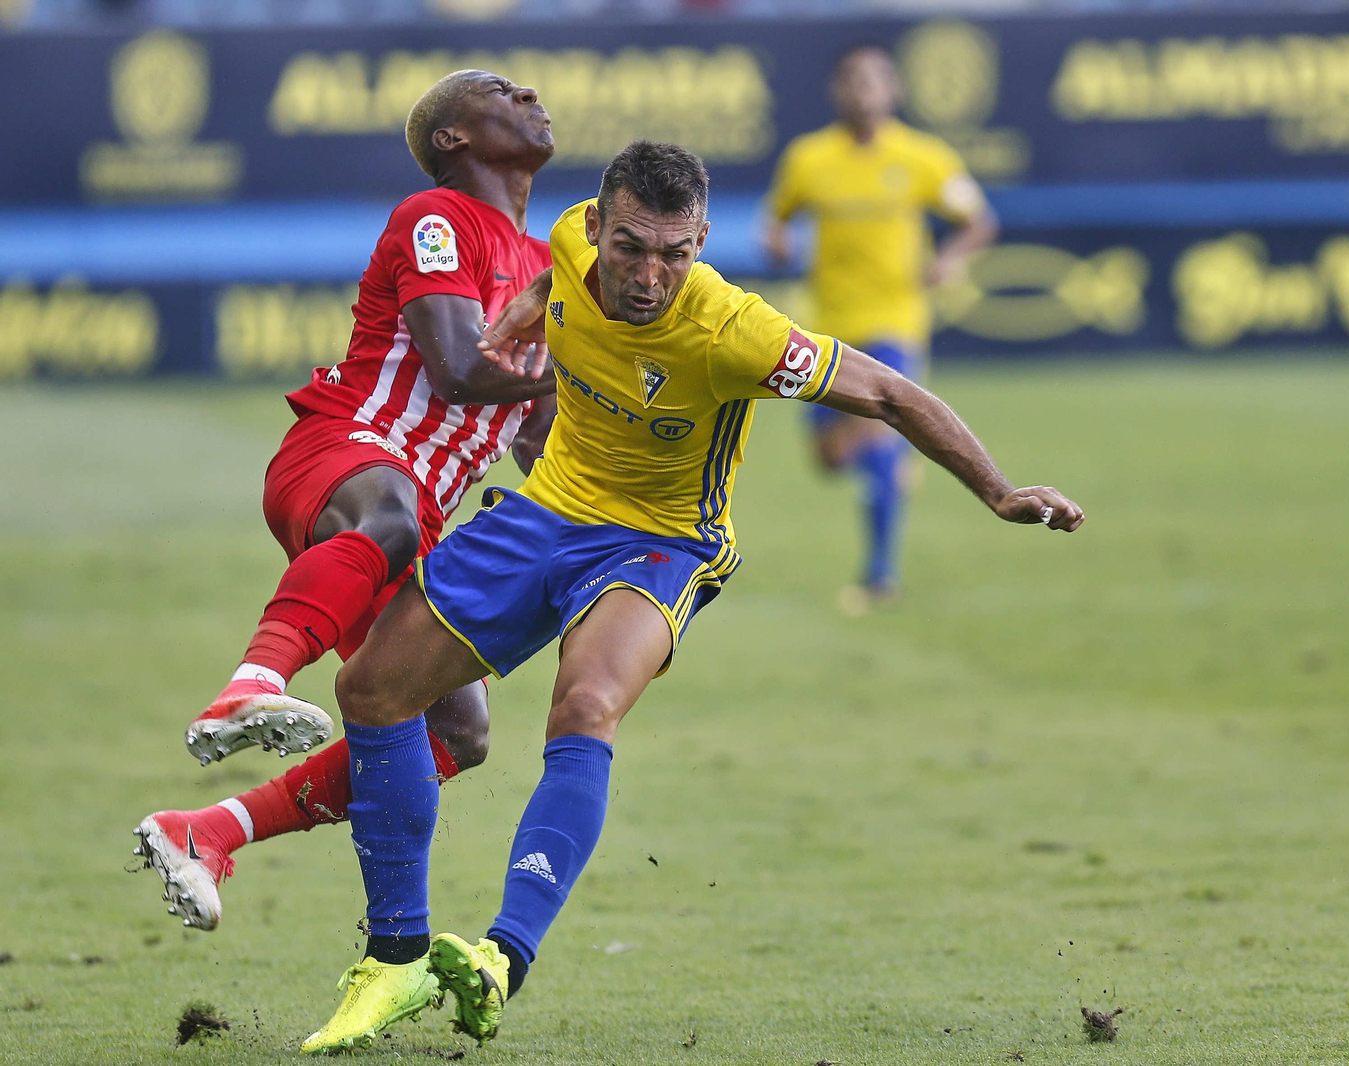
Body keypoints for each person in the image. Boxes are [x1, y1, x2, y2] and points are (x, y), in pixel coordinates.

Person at [295, 139, 1082, 1054]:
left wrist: (1000, 492)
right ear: (596, 226)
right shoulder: (566, 244)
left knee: (586, 703)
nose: (650, 275)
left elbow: (893, 395)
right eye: (631, 247)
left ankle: (503, 959)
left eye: (676, 253)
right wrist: (525, 307)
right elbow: (558, 283)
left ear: (703, 240)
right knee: (371, 690)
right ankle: (394, 959)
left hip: (662, 541)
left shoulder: (732, 330)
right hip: (550, 506)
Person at [132, 69, 558, 935]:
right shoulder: (438, 217)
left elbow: (538, 434)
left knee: (456, 730)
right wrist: (583, 368)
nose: (526, 91)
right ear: (452, 139)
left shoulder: (546, 267)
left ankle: (210, 830)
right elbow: (455, 368)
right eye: (499, 91)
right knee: (394, 521)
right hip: (347, 453)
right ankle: (251, 683)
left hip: (414, 514)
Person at [763, 43, 998, 612]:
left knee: (880, 434)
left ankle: (879, 574)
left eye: (875, 82)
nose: (864, 94)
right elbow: (778, 217)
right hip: (828, 326)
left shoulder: (923, 157)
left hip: (896, 322)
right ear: (837, 92)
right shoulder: (809, 158)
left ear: (893, 92)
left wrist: (949, 260)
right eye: (853, 83)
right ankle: (891, 462)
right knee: (828, 457)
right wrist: (777, 241)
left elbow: (978, 221)